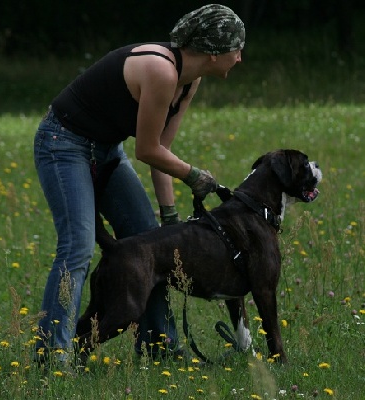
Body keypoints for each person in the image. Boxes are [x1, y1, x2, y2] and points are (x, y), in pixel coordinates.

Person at [33, 3, 245, 365]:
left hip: (106, 150)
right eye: (236, 48)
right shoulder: (161, 71)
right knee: (78, 246)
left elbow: (162, 150)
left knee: (152, 243)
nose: (239, 57)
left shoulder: (188, 81)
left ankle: (161, 349)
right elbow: (148, 150)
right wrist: (195, 176)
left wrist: (170, 218)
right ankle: (53, 354)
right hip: (63, 145)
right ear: (212, 52)